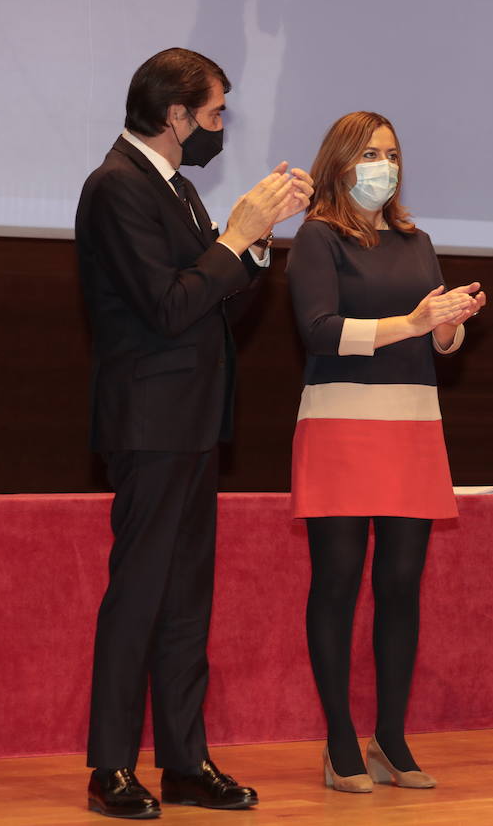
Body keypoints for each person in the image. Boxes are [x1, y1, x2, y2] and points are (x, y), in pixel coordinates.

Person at [76, 47, 312, 818]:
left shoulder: (174, 189)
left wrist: (254, 239)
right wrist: (231, 236)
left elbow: (218, 307)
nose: (218, 126)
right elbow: (167, 306)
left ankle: (183, 760)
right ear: (174, 116)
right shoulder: (117, 187)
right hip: (150, 422)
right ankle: (110, 767)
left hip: (194, 421)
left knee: (184, 601)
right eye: (212, 113)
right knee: (139, 596)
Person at [288, 111, 485, 791]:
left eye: (393, 153)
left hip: (411, 424)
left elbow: (435, 340)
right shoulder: (317, 238)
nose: (385, 164)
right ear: (340, 162)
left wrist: (447, 327)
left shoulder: (416, 239)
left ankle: (392, 739)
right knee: (338, 584)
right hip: (341, 424)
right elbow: (318, 332)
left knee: (400, 586)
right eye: (371, 153)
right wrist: (412, 322)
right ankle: (340, 740)